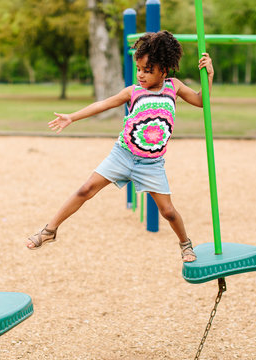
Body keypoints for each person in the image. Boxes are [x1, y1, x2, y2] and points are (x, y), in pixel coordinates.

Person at [26, 30, 213, 263]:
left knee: (168, 212)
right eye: (139, 69)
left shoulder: (173, 87)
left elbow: (201, 101)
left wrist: (209, 75)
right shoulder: (133, 91)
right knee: (85, 190)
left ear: (163, 70)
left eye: (148, 70)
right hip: (123, 155)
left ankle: (185, 244)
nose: (141, 75)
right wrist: (72, 117)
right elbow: (103, 104)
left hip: (151, 163)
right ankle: (49, 230)